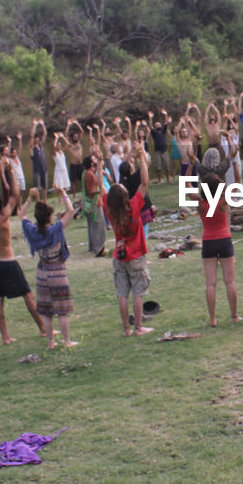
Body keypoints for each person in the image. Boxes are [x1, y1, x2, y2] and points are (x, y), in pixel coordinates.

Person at [0, 183, 45, 345]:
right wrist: (11, 171)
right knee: (28, 295)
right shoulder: (4, 217)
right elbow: (15, 195)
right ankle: (43, 329)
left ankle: (5, 337)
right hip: (8, 262)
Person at [106, 141, 153, 337]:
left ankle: (126, 329)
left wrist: (102, 166)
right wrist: (142, 157)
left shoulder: (111, 212)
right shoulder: (133, 205)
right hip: (135, 255)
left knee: (122, 294)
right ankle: (139, 326)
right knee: (138, 293)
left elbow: (103, 190)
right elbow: (144, 183)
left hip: (119, 255)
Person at [21, 187, 77, 348]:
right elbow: (71, 210)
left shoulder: (33, 231)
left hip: (42, 271)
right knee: (62, 309)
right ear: (50, 217)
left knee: (46, 310)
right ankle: (66, 341)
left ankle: (51, 342)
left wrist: (30, 199)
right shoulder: (55, 229)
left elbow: (22, 216)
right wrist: (63, 194)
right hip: (57, 271)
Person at [198, 168, 240, 327]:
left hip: (208, 242)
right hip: (224, 240)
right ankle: (234, 316)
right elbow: (238, 182)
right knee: (229, 281)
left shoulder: (200, 203)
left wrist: (188, 166)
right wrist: (234, 161)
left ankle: (213, 319)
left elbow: (186, 184)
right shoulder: (223, 200)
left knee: (210, 283)